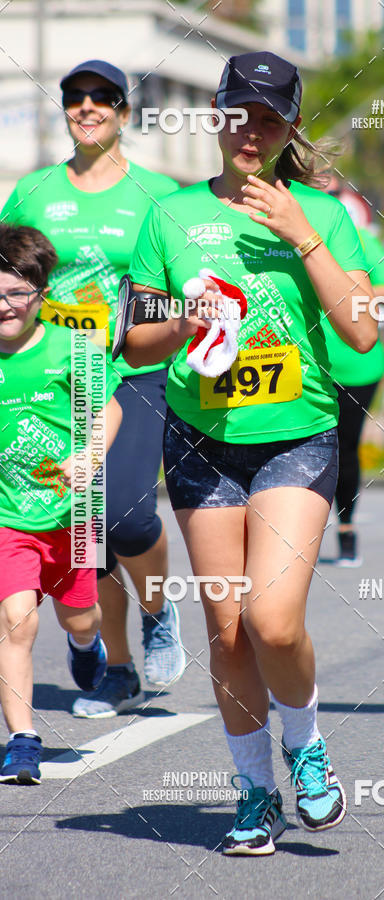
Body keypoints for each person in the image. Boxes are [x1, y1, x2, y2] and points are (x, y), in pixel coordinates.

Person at [120, 51, 377, 854]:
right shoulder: (169, 216)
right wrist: (185, 324)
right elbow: (133, 343)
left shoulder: (323, 216)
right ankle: (255, 794)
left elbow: (361, 330)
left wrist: (304, 236)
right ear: (216, 115)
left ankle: (304, 744)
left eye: (271, 118)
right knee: (228, 630)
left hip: (295, 437)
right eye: (241, 113)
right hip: (200, 442)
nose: (253, 131)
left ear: (290, 127)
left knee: (272, 620)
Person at [1, 60, 184, 718]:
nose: (87, 107)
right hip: (58, 375)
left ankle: (160, 612)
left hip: (131, 372)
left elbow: (179, 286)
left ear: (124, 113)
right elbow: (9, 272)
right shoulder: (34, 191)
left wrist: (150, 326)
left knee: (127, 515)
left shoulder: (157, 194)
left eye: (102, 97)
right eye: (75, 97)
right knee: (84, 522)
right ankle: (117, 665)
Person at [0, 223, 122, 783]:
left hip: (76, 513)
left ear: (41, 294)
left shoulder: (74, 349)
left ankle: (87, 642)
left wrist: (90, 456)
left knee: (79, 613)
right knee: (16, 623)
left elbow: (109, 410)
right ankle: (23, 739)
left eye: (17, 292)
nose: (6, 305)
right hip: (9, 517)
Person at [323, 176, 384, 565]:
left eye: (332, 194)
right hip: (306, 362)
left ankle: (347, 527)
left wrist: (343, 289)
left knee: (343, 446)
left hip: (358, 365)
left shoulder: (362, 240)